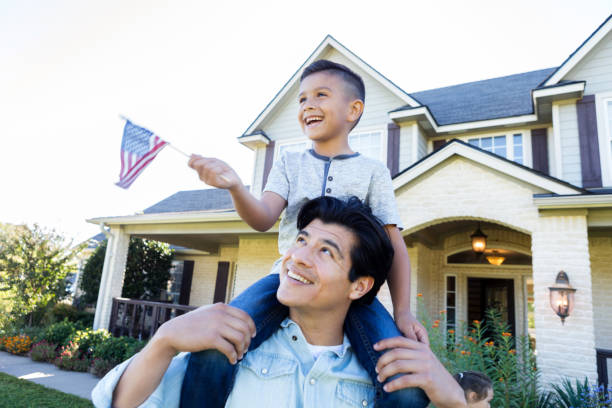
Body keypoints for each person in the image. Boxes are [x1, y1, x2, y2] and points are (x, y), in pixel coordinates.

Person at [183, 59, 428, 407]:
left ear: (353, 110)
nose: (307, 105)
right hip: (286, 278)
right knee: (213, 346)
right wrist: (236, 187)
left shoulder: (374, 172)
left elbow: (393, 245)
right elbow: (263, 217)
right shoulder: (288, 163)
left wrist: (403, 312)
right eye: (301, 100)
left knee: (407, 388)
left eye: (321, 95)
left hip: (348, 291)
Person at [92, 196, 466, 408]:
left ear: (359, 286)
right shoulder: (226, 350)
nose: (298, 257)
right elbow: (118, 404)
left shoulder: (389, 376)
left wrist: (455, 401)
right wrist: (164, 340)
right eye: (301, 240)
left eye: (326, 251)